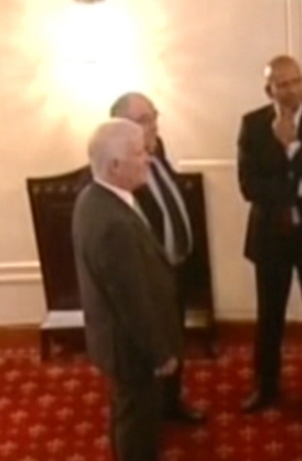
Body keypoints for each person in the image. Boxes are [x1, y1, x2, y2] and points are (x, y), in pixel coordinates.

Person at [72, 119, 187, 461]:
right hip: (132, 347)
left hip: (121, 340)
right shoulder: (112, 223)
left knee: (136, 416)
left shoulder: (97, 198)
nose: (148, 159)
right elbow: (131, 300)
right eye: (140, 153)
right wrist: (160, 354)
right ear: (116, 165)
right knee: (136, 420)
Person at [236, 55, 302, 424]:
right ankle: (266, 387)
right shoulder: (252, 125)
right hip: (271, 235)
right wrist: (296, 188)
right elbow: (249, 186)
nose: (292, 88)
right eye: (282, 84)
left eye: (297, 80)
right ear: (269, 89)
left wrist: (295, 147)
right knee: (270, 318)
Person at [109, 92, 207, 426]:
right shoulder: (117, 170)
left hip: (173, 270)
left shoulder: (157, 150)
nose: (154, 125)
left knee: (174, 342)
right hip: (146, 279)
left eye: (154, 116)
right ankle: (151, 423)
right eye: (144, 120)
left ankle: (172, 403)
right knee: (152, 351)